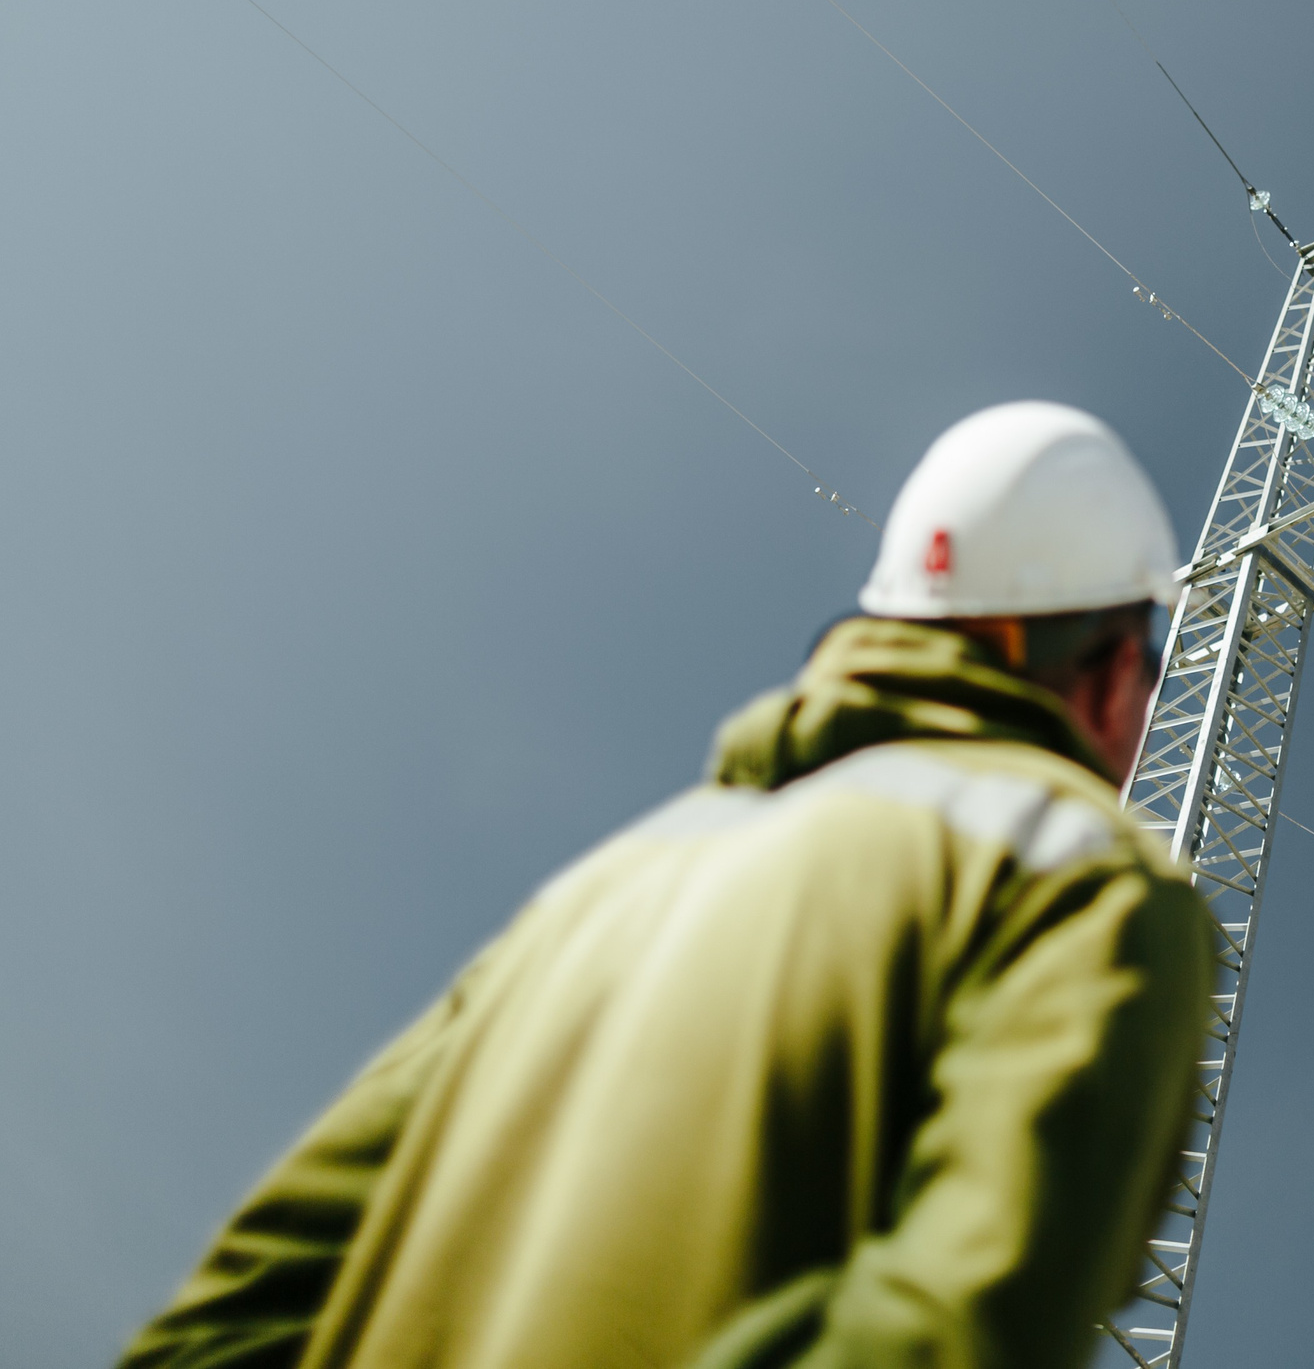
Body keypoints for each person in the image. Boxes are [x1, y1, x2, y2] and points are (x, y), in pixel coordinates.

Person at [118, 401, 1215, 1369]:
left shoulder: (606, 885)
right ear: (1117, 675)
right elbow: (951, 1332)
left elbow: (242, 1308)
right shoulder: (1087, 875)